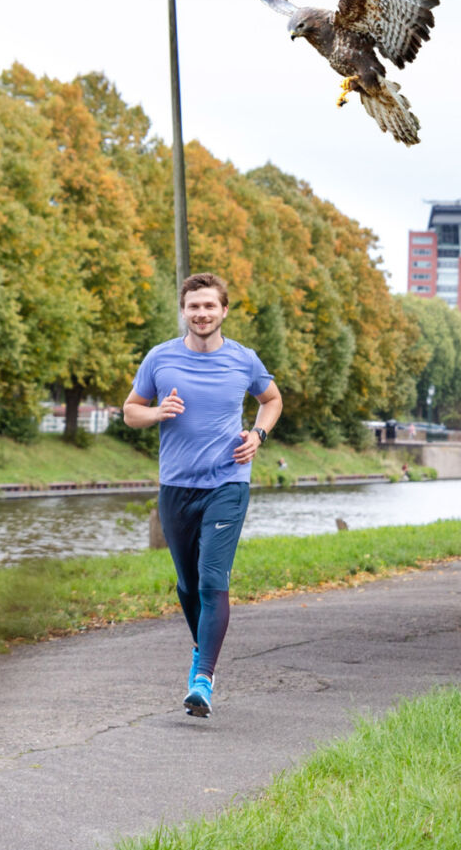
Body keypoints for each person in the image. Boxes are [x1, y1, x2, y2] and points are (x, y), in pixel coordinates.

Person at [123, 273, 282, 718]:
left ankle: (203, 679)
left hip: (228, 483)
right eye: (194, 307)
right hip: (176, 486)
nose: (202, 314)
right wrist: (156, 412)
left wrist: (258, 434)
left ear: (224, 310)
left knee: (213, 580)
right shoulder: (160, 358)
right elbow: (130, 411)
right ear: (184, 311)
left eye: (210, 306)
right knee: (188, 584)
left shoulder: (243, 359)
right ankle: (201, 650)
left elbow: (272, 400)